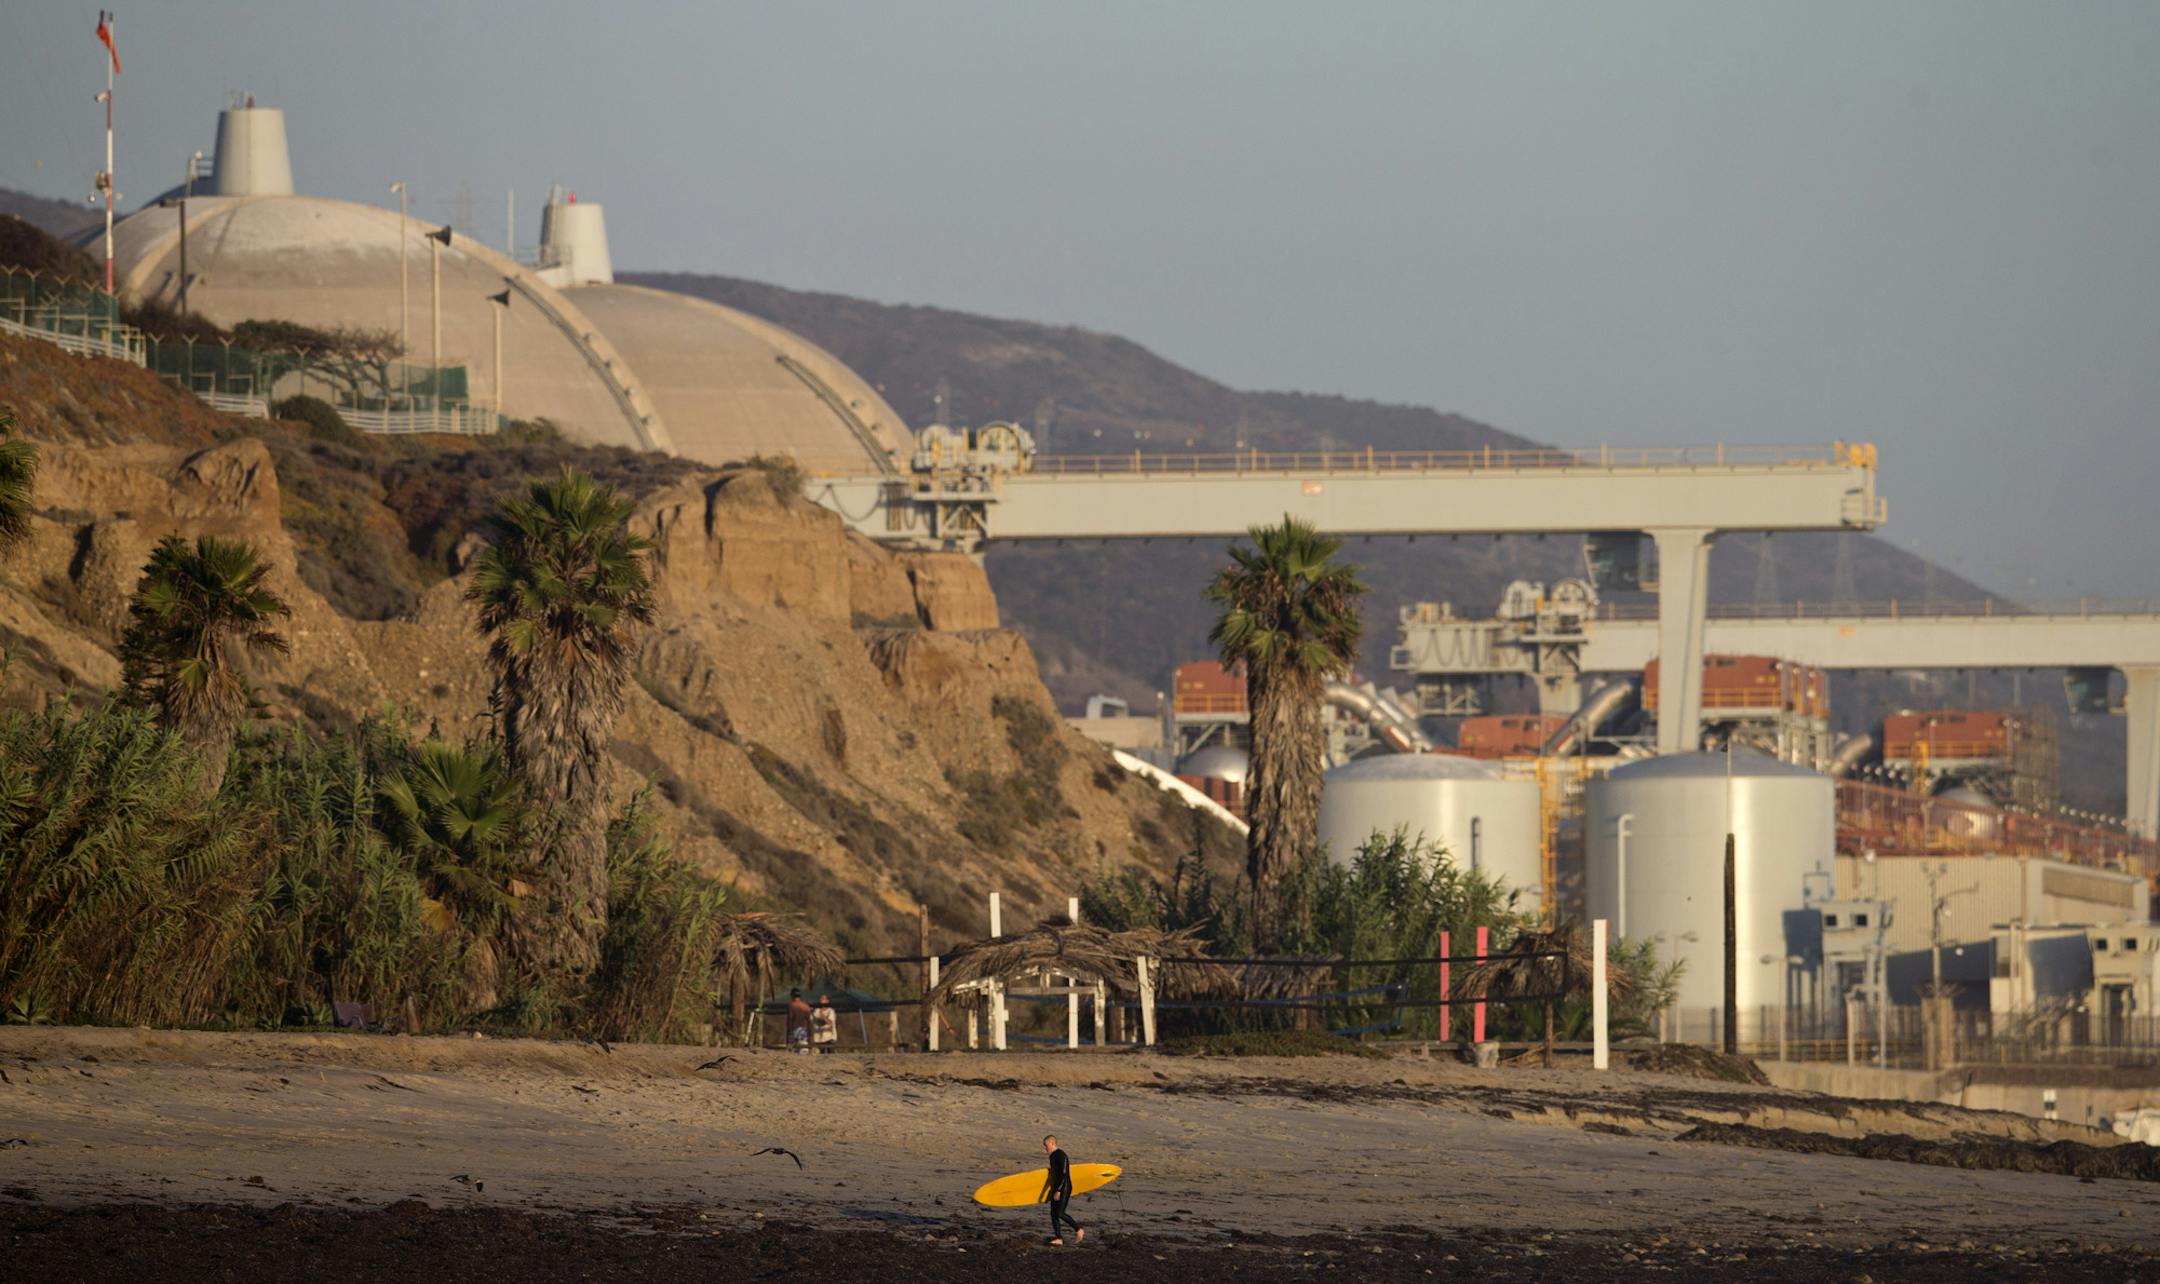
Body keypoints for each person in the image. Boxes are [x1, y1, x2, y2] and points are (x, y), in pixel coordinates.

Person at [1040, 1134, 1083, 1245]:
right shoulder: (1052, 1156)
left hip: (1064, 1187)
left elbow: (1064, 1174)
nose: (1045, 1148)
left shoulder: (1061, 1155)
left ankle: (1079, 1229)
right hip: (1056, 1187)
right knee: (1053, 1214)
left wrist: (1058, 1190)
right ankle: (1059, 1238)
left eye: (1046, 1145)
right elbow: (1054, 1175)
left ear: (1052, 1143)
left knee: (1060, 1213)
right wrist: (1049, 1192)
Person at [786, 988, 812, 1054]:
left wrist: (788, 1032)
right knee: (803, 1051)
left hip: (794, 1029)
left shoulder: (791, 1005)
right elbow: (809, 1021)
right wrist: (810, 1033)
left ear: (792, 996)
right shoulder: (806, 1006)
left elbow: (790, 1019)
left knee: (791, 1051)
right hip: (803, 1030)